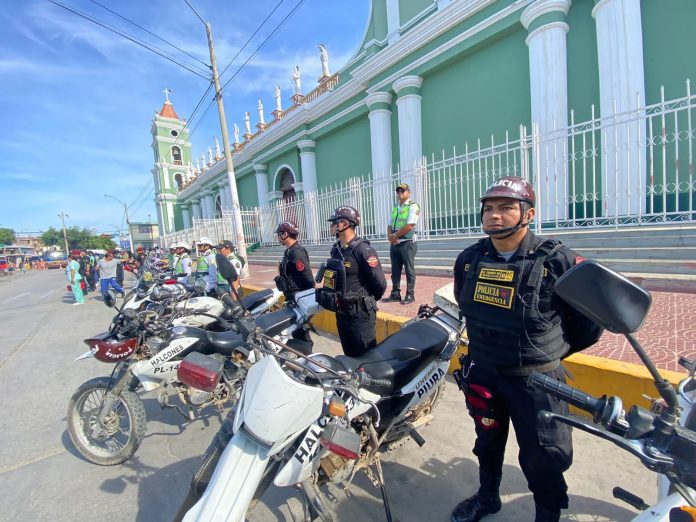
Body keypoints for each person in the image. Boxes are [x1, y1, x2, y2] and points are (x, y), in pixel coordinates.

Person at [451, 177, 603, 522]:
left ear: (528, 214)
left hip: (537, 384)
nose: (494, 215)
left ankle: (547, 516)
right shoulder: (469, 259)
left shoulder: (557, 261)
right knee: (487, 442)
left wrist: (546, 355)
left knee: (544, 457)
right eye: (489, 208)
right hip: (485, 373)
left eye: (506, 208)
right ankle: (488, 497)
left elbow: (589, 325)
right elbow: (466, 305)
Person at [316, 206, 387, 357]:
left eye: (334, 223)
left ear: (345, 224)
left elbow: (380, 283)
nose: (331, 226)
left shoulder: (363, 250)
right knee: (349, 357)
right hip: (342, 313)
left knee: (365, 359)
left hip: (360, 317)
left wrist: (364, 300)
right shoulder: (336, 249)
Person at [274, 221, 315, 346]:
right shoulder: (289, 251)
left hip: (298, 297)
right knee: (295, 331)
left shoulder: (296, 252)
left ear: (285, 234)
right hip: (292, 296)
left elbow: (308, 279)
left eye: (280, 234)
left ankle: (307, 355)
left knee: (300, 331)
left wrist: (304, 301)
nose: (278, 237)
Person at [383, 183, 420, 305]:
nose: (400, 193)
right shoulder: (396, 207)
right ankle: (395, 294)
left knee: (409, 270)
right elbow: (390, 224)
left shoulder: (413, 206)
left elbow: (410, 225)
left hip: (407, 244)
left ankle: (410, 294)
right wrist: (390, 236)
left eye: (403, 191)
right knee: (395, 270)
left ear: (409, 192)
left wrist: (394, 236)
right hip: (395, 244)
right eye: (398, 191)